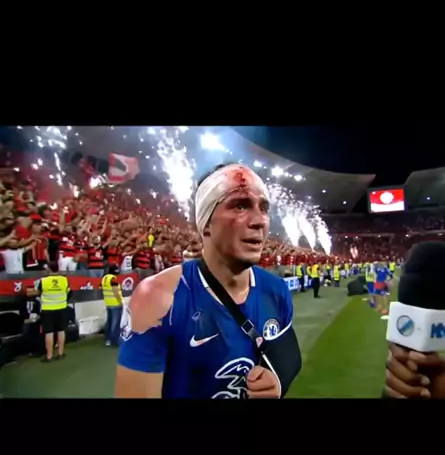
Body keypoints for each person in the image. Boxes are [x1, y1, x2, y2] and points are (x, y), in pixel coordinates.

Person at [115, 163, 302, 399]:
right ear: (205, 224)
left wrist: (277, 381)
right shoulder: (157, 299)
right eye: (240, 206)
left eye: (264, 208)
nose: (260, 221)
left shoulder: (276, 290)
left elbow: (288, 357)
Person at [29, 260, 70, 363]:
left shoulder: (43, 281)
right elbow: (68, 291)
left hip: (48, 309)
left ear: (49, 269)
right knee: (61, 331)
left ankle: (49, 356)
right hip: (62, 307)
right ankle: (60, 353)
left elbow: (37, 293)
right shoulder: (64, 279)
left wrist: (29, 292)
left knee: (49, 332)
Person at [101, 265, 123, 347]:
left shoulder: (104, 278)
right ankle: (114, 340)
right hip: (115, 303)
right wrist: (120, 301)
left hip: (108, 303)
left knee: (109, 322)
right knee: (115, 323)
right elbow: (115, 290)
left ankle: (108, 339)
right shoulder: (113, 279)